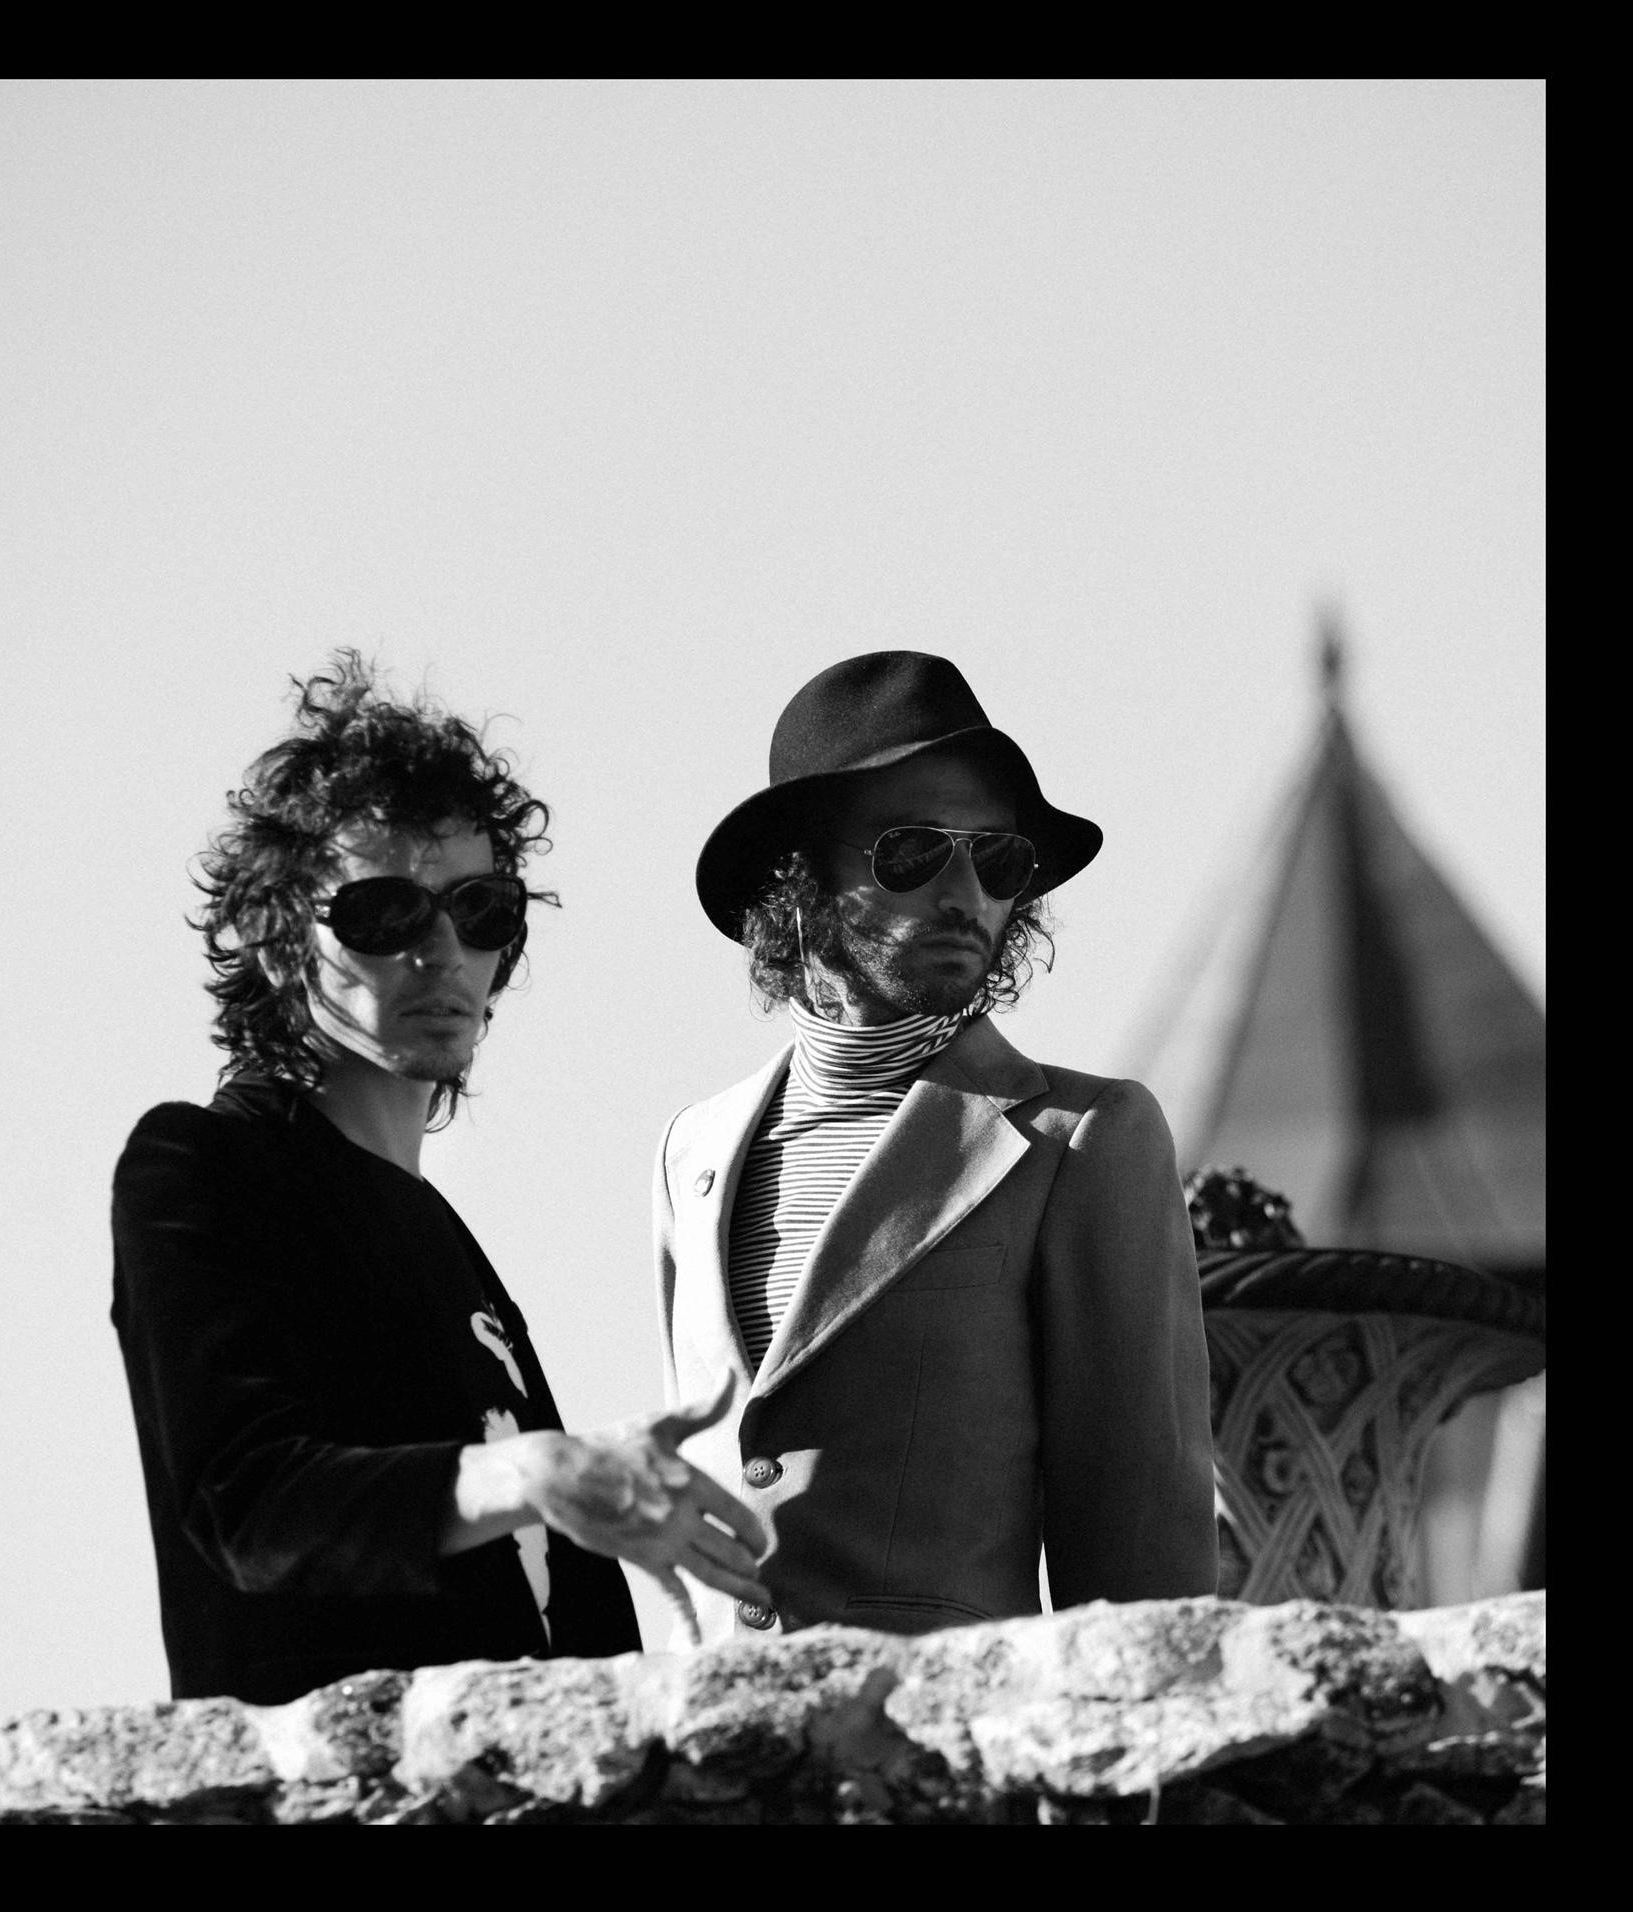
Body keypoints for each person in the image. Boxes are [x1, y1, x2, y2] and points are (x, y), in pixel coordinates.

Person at [113, 651, 766, 1703]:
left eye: (481, 908)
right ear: (278, 942)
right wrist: (543, 1472)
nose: (443, 951)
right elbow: (245, 1506)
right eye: (385, 915)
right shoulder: (202, 1164)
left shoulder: (443, 1238)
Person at [654, 650, 1217, 1644]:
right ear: (798, 876)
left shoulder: (1082, 1140)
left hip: (947, 1730)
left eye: (998, 860)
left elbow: (1142, 1557)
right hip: (709, 1727)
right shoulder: (691, 1151)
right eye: (912, 850)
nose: (965, 892)